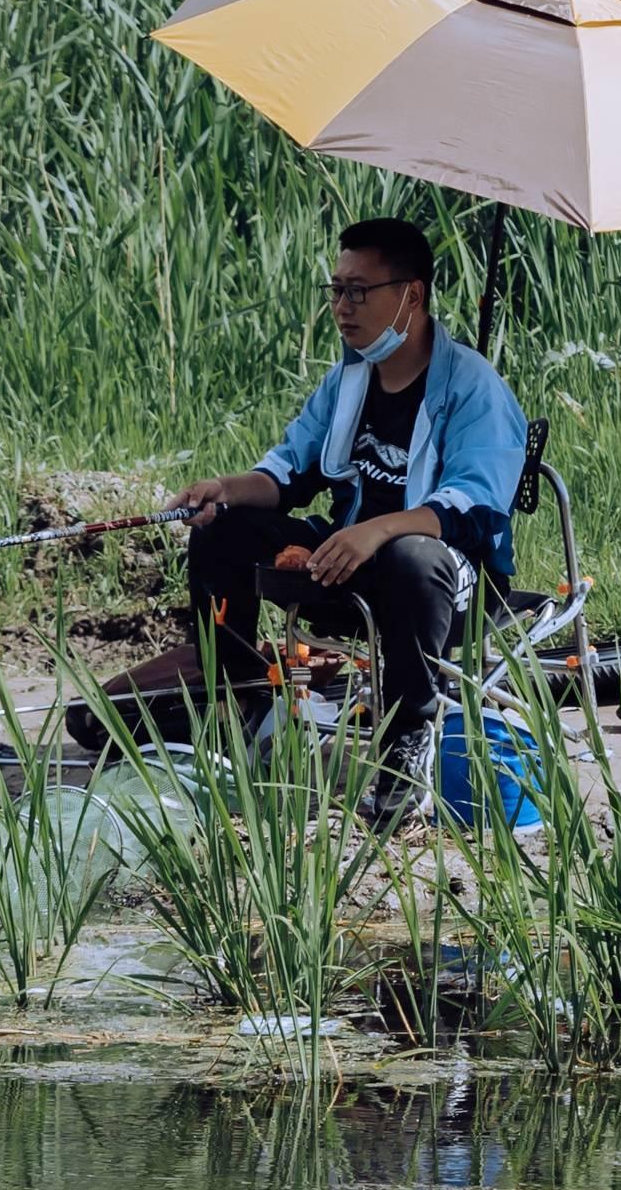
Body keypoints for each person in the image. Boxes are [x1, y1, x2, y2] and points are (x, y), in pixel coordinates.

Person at [170, 218, 528, 827]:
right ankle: (246, 707)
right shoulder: (347, 381)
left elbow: (472, 503)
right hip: (347, 562)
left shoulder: (474, 388)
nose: (341, 307)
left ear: (411, 295)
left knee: (408, 555)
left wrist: (379, 530)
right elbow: (289, 474)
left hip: (449, 581)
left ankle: (409, 739)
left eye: (357, 291)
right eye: (335, 289)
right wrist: (225, 489)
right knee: (223, 529)